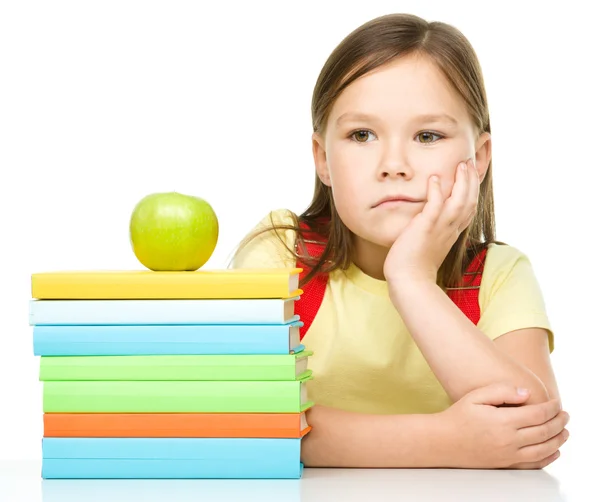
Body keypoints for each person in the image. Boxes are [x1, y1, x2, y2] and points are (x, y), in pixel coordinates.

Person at [231, 13, 569, 469]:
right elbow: (244, 417)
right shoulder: (282, 254)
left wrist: (411, 279)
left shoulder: (498, 275)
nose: (393, 164)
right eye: (362, 135)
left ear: (479, 157)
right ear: (322, 159)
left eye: (427, 135)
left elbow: (530, 431)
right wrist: (448, 440)